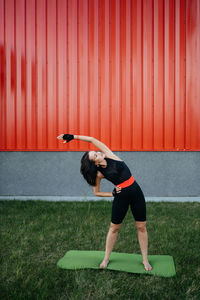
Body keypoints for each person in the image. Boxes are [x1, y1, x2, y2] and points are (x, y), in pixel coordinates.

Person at [57, 134, 152, 271]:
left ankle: (145, 260)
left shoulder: (109, 154)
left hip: (137, 192)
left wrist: (73, 136)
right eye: (95, 156)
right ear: (95, 163)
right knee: (114, 228)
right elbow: (97, 192)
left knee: (141, 226)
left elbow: (92, 140)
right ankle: (106, 258)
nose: (98, 153)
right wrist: (112, 193)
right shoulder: (99, 174)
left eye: (95, 152)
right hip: (121, 197)